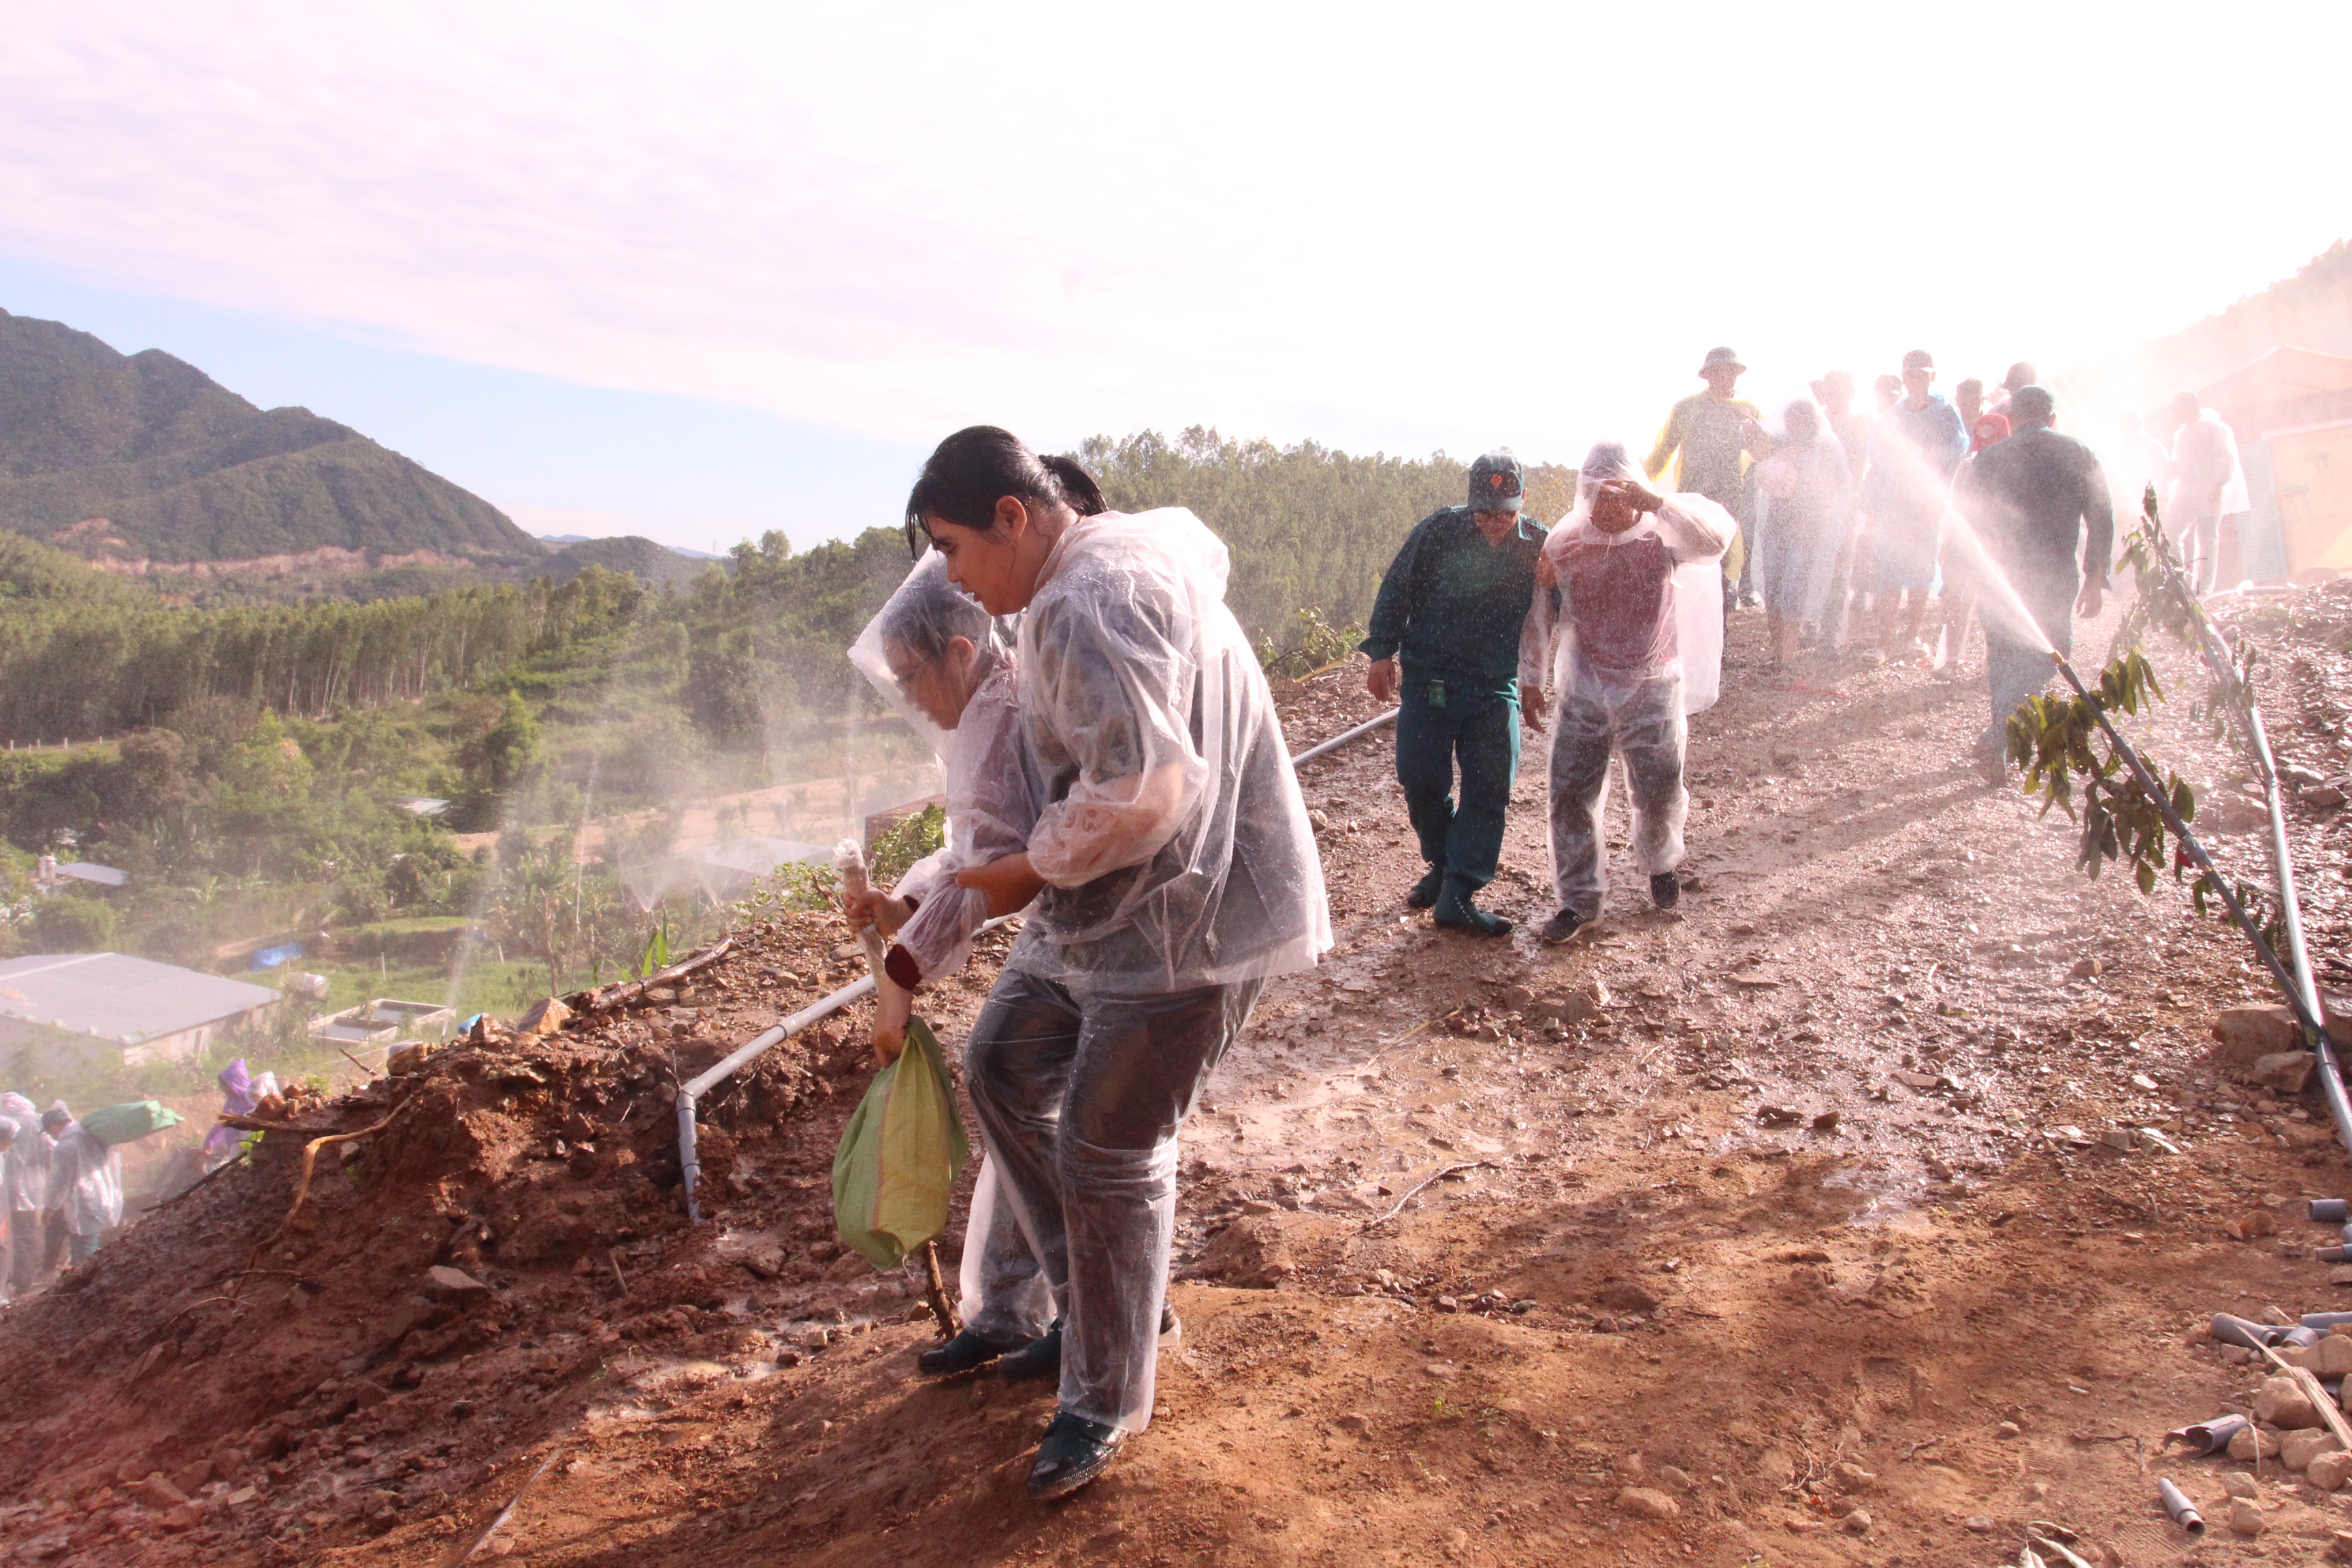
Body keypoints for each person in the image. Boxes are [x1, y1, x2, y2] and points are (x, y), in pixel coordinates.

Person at [909, 427, 1328, 1499]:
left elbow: (1147, 789)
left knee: (1106, 1147)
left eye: (952, 547)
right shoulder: (1095, 571)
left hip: (1192, 917)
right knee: (1001, 1068)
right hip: (1108, 910)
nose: (951, 577)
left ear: (1014, 516)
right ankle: (1094, 1308)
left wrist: (1022, 873)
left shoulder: (1084, 598)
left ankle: (1101, 1400)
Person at [840, 551, 1055, 1377]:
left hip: (1095, 929)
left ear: (960, 653)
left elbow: (986, 874)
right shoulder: (978, 718)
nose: (908, 697)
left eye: (911, 676)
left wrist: (899, 977)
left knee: (1027, 1093)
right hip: (1061, 924)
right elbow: (963, 853)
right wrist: (904, 908)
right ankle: (1009, 1310)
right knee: (1014, 1095)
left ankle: (1093, 1307)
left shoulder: (1000, 715)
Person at [1524, 444, 1734, 943]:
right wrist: (1530, 679)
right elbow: (1539, 615)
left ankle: (1661, 864)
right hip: (1584, 686)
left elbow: (1713, 542)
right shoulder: (1566, 543)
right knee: (1571, 795)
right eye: (1597, 494)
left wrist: (1657, 503)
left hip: (1652, 682)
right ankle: (1578, 901)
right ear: (1584, 495)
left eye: (1619, 493)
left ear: (1635, 492)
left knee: (1659, 790)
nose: (1609, 505)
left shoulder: (1662, 537)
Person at [1360, 451, 1551, 937]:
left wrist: (1533, 683)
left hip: (1494, 685)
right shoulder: (1438, 531)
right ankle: (1442, 866)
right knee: (1420, 780)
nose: (1495, 525)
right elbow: (1396, 588)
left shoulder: (1540, 547)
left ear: (1523, 502)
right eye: (1485, 514)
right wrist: (1382, 651)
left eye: (1506, 514)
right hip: (1431, 680)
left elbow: (1549, 620)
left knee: (1490, 788)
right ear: (1470, 505)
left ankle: (1461, 893)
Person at [1955, 385, 2114, 783]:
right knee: (2052, 654)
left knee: (2004, 660)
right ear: (2052, 416)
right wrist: (2095, 579)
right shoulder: (2080, 453)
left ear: (2012, 418)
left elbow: (1968, 525)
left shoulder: (1988, 460)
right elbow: (2103, 519)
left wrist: (1967, 577)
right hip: (2055, 578)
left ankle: (2000, 739)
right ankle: (2001, 737)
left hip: (2000, 581)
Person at [1863, 349, 1968, 662]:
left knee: (1921, 573)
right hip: (1893, 506)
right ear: (1904, 377)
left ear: (1933, 376)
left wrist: (1937, 498)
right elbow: (1878, 461)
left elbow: (1957, 456)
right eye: (1911, 375)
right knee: (1888, 573)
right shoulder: (1892, 416)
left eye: (1924, 374)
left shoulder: (1946, 413)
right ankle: (1883, 642)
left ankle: (1913, 636)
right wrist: (1872, 505)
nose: (1917, 380)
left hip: (1927, 505)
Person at [1646, 347, 1769, 608]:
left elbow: (1763, 454)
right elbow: (1665, 449)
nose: (1727, 376)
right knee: (1687, 557)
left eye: (1732, 371)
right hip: (1692, 497)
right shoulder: (1688, 408)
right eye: (1721, 371)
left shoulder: (1749, 412)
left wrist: (1758, 438)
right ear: (1709, 375)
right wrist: (1643, 479)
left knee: (1722, 558)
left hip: (1731, 498)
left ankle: (1722, 616)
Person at [1750, 400, 1855, 670]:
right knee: (1773, 592)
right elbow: (1760, 465)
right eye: (1792, 422)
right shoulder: (1780, 444)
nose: (1796, 427)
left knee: (1793, 592)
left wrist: (1804, 477)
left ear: (1813, 422)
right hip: (1776, 527)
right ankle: (1777, 653)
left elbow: (1838, 487)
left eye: (1801, 421)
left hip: (1805, 532)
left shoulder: (1826, 449)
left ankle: (1787, 657)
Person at [1810, 372, 1874, 650]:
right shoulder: (1816, 422)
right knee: (1812, 567)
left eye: (1840, 391)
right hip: (1812, 506)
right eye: (1831, 391)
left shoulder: (1860, 424)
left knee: (1838, 570)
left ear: (1850, 394)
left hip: (1845, 506)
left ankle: (1831, 638)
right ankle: (1811, 626)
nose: (1834, 397)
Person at [2163, 391, 2249, 593]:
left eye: (2178, 409)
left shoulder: (2214, 429)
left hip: (2210, 492)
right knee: (2170, 532)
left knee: (2207, 541)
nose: (2175, 414)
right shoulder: (2182, 434)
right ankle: (2180, 582)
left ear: (2189, 407)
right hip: (2186, 492)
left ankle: (2202, 590)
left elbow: (2226, 460)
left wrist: (2217, 486)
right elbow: (2182, 464)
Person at [48, 1111, 122, 1267]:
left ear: (55, 1127)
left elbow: (59, 1183)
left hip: (84, 1202)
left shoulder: (65, 1146)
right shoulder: (90, 1136)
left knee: (86, 1247)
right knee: (84, 1243)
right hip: (101, 1195)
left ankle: (86, 1282)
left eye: (49, 1131)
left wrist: (50, 1208)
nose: (50, 1136)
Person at [3, 1092, 48, 1294]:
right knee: (26, 1235)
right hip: (33, 1187)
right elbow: (49, 1153)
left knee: (19, 1236)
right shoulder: (37, 1120)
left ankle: (20, 1281)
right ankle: (21, 1279)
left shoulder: (14, 1124)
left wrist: (13, 1190)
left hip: (17, 1189)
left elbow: (17, 1161)